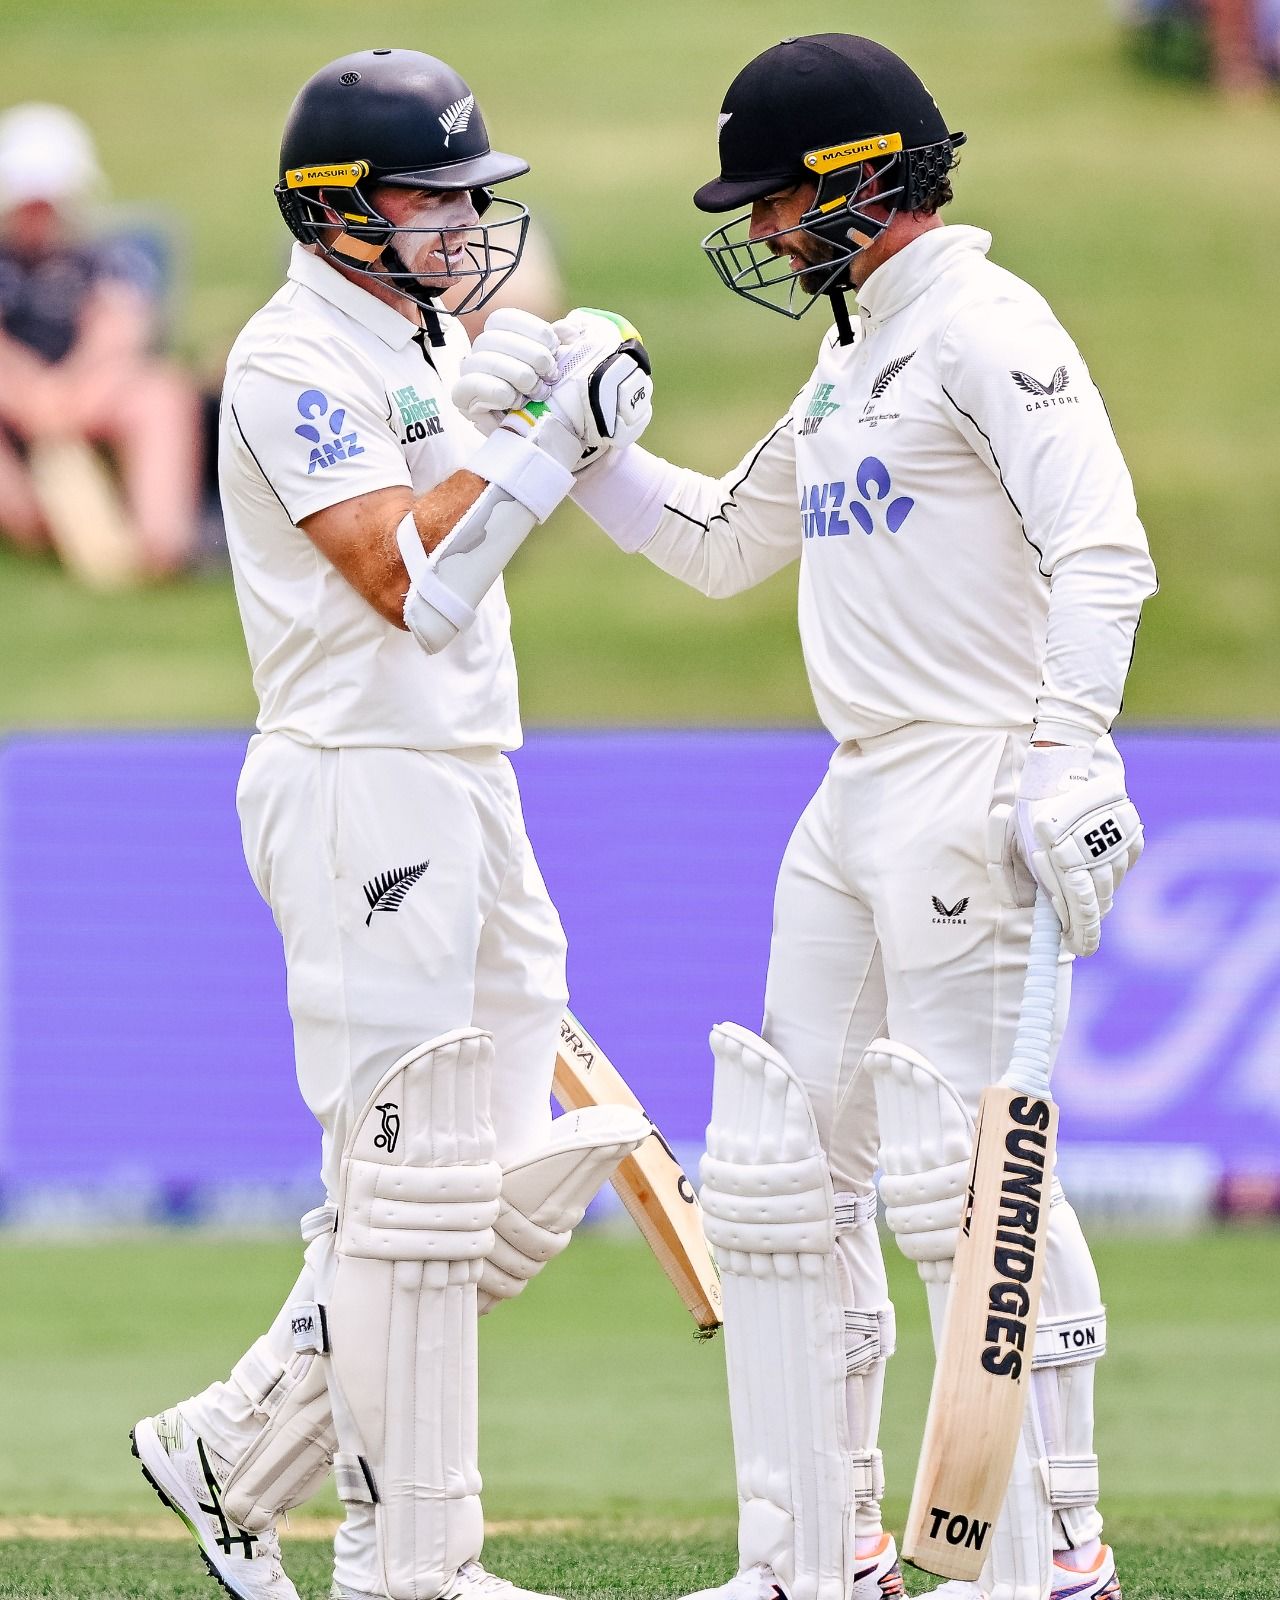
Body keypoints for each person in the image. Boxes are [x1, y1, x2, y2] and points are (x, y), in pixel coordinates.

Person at [455, 33, 1153, 1600]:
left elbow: (1103, 551)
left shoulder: (984, 326)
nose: (763, 234)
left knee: (971, 1181)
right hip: (854, 792)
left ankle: (1057, 1550)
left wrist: (1066, 753)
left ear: (865, 182)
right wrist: (575, 440)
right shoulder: (852, 351)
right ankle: (817, 1552)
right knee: (790, 1173)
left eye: (778, 201)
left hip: (974, 776)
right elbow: (714, 543)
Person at [129, 48, 654, 1600]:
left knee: (494, 1194)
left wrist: (497, 397)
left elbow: (452, 513)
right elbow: (408, 584)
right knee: (409, 1187)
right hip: (362, 776)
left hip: (467, 772)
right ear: (340, 208)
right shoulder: (292, 357)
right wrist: (546, 438)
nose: (463, 225)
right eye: (433, 197)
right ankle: (405, 1558)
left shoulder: (415, 343)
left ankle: (237, 1448)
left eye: (469, 198)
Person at [0, 102, 201, 577]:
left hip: (90, 392)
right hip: (15, 398)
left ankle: (161, 541)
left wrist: (69, 393)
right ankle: (33, 524)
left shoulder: (107, 256)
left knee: (162, 396)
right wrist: (30, 395)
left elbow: (119, 331)